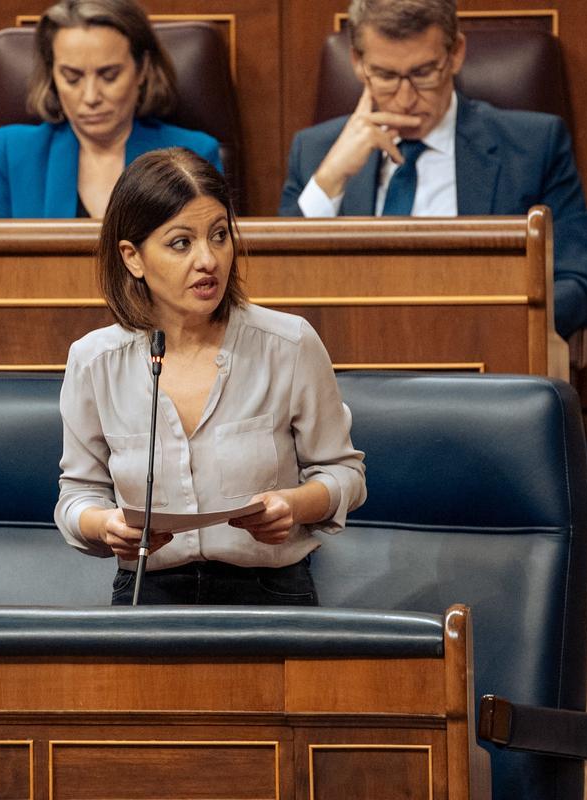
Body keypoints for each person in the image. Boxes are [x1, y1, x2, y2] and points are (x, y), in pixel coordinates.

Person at [54, 147, 366, 605]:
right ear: (132, 257)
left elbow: (344, 472)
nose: (209, 260)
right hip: (149, 592)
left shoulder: (289, 344)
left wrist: (295, 505)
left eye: (219, 235)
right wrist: (105, 526)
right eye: (182, 243)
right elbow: (77, 495)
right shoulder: (95, 360)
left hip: (270, 592)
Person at [279, 0, 587, 341]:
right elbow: (278, 290)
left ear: (456, 53)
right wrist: (330, 179)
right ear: (358, 63)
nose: (405, 98)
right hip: (348, 369)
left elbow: (581, 283)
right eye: (387, 76)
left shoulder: (533, 146)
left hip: (481, 365)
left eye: (422, 73)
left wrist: (490, 322)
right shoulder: (316, 151)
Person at [0, 0, 222, 219]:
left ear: (142, 69)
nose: (90, 97)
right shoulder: (15, 153)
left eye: (109, 76)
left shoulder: (195, 154)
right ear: (52, 74)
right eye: (72, 77)